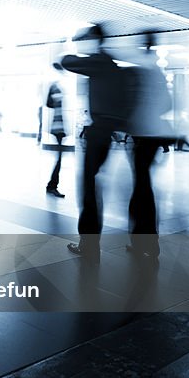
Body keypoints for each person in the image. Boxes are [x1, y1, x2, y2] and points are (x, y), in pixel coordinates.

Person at [59, 24, 132, 262]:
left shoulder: (98, 62)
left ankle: (88, 244)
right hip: (109, 129)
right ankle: (91, 241)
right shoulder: (112, 65)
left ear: (95, 40)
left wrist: (71, 47)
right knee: (93, 184)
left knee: (88, 186)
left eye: (86, 40)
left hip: (99, 130)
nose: (83, 44)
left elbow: (67, 61)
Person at [123, 31, 175, 262]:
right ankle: (145, 241)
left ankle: (145, 241)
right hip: (153, 135)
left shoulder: (141, 67)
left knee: (142, 189)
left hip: (142, 135)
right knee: (143, 187)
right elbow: (168, 104)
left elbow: (130, 102)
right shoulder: (158, 71)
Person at [44, 68, 67, 198]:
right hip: (58, 128)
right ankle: (52, 186)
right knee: (59, 159)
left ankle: (52, 186)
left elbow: (50, 105)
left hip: (58, 128)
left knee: (59, 159)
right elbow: (52, 104)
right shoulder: (56, 87)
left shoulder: (56, 88)